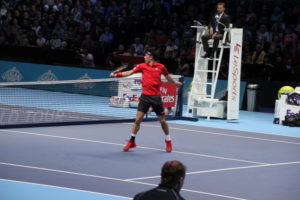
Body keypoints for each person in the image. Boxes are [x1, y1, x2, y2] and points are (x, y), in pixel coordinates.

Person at [110, 51, 182, 152]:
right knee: (138, 120)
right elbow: (129, 72)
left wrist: (175, 83)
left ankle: (168, 140)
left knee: (162, 121)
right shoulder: (142, 66)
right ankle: (131, 141)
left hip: (156, 97)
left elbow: (167, 76)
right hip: (145, 97)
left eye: (146, 56)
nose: (144, 57)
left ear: (151, 57)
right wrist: (117, 75)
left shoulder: (161, 67)